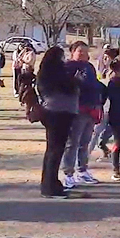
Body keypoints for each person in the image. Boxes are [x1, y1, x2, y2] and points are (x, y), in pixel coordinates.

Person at [37, 45, 80, 197]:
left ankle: (50, 183)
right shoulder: (56, 73)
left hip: (52, 112)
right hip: (59, 112)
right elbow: (67, 87)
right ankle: (50, 187)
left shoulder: (45, 72)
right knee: (55, 151)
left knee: (52, 151)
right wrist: (76, 80)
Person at [62, 42, 103, 188]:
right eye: (80, 51)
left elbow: (95, 84)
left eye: (86, 52)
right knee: (72, 143)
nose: (84, 54)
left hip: (91, 109)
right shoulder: (68, 67)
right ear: (72, 52)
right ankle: (68, 173)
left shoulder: (90, 67)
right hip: (76, 109)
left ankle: (82, 170)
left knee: (85, 143)